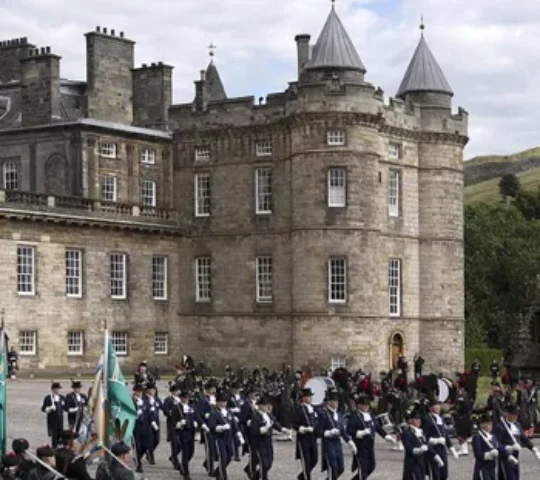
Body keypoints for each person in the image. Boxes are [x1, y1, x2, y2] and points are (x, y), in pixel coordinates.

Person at [346, 394, 396, 480]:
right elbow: (349, 431)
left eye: (367, 404)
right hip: (360, 447)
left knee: (371, 466)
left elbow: (378, 427)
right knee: (363, 469)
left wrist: (387, 436)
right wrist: (359, 433)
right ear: (359, 405)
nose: (366, 406)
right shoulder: (354, 416)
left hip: (370, 447)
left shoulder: (371, 415)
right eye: (363, 404)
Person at [493, 404, 540, 480]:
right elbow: (496, 444)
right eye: (513, 414)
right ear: (507, 414)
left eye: (516, 414)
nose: (515, 416)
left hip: (516, 456)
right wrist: (508, 450)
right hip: (505, 458)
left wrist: (533, 449)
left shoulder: (517, 424)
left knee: (515, 477)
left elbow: (524, 439)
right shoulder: (500, 427)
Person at [320, 390, 357, 479]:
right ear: (329, 402)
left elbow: (342, 430)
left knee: (340, 468)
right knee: (333, 469)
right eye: (334, 401)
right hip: (328, 444)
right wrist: (327, 432)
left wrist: (349, 441)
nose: (336, 403)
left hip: (338, 444)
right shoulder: (323, 414)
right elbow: (317, 430)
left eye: (337, 401)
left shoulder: (339, 414)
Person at [250, 396, 288, 480]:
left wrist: (282, 429)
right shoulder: (256, 417)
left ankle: (254, 477)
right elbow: (254, 431)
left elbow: (274, 423)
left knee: (269, 462)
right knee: (264, 464)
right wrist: (263, 430)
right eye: (265, 405)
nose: (267, 407)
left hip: (268, 442)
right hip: (260, 443)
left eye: (268, 405)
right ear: (259, 406)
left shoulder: (268, 415)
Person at [422, 399, 459, 480]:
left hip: (442, 449)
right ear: (431, 408)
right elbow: (424, 438)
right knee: (436, 474)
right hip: (433, 449)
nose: (438, 407)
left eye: (439, 405)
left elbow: (445, 434)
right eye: (435, 405)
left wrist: (452, 448)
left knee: (444, 474)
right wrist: (435, 441)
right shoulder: (427, 419)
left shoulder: (440, 418)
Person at [207, 391, 237, 480]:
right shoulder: (214, 413)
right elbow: (211, 427)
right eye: (221, 402)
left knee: (229, 456)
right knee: (223, 458)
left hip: (228, 438)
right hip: (219, 438)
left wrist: (238, 433)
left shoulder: (228, 412)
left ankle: (217, 471)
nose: (223, 403)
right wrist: (221, 427)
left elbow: (233, 424)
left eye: (224, 402)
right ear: (217, 402)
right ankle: (223, 477)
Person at [293, 387, 319, 480]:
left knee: (315, 459)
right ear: (304, 398)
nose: (310, 398)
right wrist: (303, 429)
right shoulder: (299, 409)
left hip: (312, 437)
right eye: (309, 397)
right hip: (303, 438)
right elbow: (295, 424)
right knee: (306, 461)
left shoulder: (313, 408)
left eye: (311, 396)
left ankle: (302, 476)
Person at [171, 390, 198, 480]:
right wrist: (178, 423)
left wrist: (197, 423)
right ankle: (186, 473)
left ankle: (183, 465)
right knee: (185, 452)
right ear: (181, 398)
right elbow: (173, 421)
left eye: (187, 398)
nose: (185, 399)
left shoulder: (191, 406)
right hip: (182, 432)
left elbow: (196, 416)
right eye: (184, 398)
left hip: (191, 432)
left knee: (191, 452)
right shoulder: (176, 407)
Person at [402, 408, 431, 480]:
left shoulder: (421, 432)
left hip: (422, 464)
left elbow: (427, 446)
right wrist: (420, 450)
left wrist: (435, 455)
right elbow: (409, 450)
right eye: (416, 419)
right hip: (413, 464)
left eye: (419, 419)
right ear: (410, 420)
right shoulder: (407, 433)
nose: (419, 420)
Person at [196, 381, 217, 476]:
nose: (213, 390)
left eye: (214, 388)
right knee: (210, 449)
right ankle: (210, 469)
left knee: (216, 449)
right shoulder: (203, 400)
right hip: (207, 426)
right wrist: (203, 422)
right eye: (211, 389)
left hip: (216, 427)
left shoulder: (216, 399)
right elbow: (198, 413)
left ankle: (207, 463)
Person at [239, 386, 258, 478]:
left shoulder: (258, 403)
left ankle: (248, 467)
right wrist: (248, 422)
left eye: (255, 393)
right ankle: (251, 470)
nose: (254, 395)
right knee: (253, 452)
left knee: (258, 453)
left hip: (259, 432)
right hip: (249, 432)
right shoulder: (245, 405)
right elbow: (242, 419)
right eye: (253, 393)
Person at [472, 413, 499, 480]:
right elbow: (477, 454)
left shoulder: (493, 436)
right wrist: (489, 454)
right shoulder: (477, 437)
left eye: (490, 424)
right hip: (483, 468)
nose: (490, 426)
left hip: (493, 467)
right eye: (488, 424)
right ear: (482, 425)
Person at [41, 382, 65, 448]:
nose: (57, 390)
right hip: (52, 420)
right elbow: (43, 409)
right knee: (54, 435)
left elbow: (65, 407)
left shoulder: (62, 397)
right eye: (56, 389)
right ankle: (54, 448)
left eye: (58, 389)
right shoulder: (48, 398)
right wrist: (49, 408)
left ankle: (60, 448)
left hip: (60, 419)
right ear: (52, 390)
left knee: (60, 434)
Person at [132, 384, 150, 473]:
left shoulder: (145, 400)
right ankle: (139, 465)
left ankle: (138, 457)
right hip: (136, 426)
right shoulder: (131, 400)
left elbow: (149, 412)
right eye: (137, 391)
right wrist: (135, 415)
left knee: (146, 445)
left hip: (145, 426)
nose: (138, 393)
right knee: (137, 446)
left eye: (140, 391)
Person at [144, 382, 162, 465]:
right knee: (150, 440)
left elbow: (163, 407)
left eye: (154, 389)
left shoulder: (156, 399)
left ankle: (149, 451)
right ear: (147, 390)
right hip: (148, 422)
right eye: (151, 389)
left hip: (156, 421)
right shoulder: (144, 399)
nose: (153, 391)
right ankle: (151, 455)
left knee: (157, 439)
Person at [227, 382, 244, 462]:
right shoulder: (228, 397)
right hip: (232, 418)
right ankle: (235, 454)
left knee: (239, 435)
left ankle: (236, 451)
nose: (236, 390)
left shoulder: (242, 397)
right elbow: (224, 407)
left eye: (238, 389)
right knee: (233, 437)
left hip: (241, 418)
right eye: (235, 389)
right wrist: (232, 410)